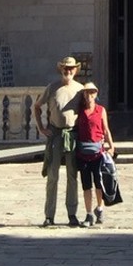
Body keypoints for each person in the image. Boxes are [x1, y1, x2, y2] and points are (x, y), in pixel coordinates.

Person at [33, 55, 84, 227]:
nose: (68, 71)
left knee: (72, 175)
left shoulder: (80, 89)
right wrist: (41, 128)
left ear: (76, 70)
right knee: (52, 175)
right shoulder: (52, 87)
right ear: (60, 69)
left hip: (72, 135)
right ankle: (49, 215)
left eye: (71, 68)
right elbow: (37, 106)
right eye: (65, 68)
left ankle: (72, 213)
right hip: (55, 134)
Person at [75, 81, 115, 226]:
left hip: (98, 152)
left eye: (92, 92)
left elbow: (105, 129)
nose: (89, 95)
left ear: (96, 94)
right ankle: (88, 213)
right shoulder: (79, 110)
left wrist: (112, 146)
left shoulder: (100, 110)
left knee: (99, 183)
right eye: (87, 92)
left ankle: (99, 208)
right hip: (83, 152)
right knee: (86, 185)